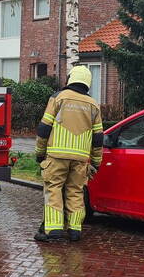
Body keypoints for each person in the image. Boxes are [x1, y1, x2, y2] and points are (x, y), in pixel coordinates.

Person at [34, 65, 103, 242]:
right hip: (80, 159)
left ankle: (53, 230)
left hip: (56, 156)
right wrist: (95, 162)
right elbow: (98, 138)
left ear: (70, 79)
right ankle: (75, 230)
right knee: (75, 191)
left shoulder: (58, 98)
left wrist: (40, 153)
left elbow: (44, 128)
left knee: (53, 189)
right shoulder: (94, 105)